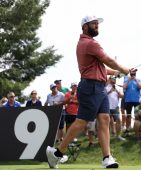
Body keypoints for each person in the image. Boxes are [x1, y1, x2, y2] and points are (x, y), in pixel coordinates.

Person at [46, 15, 131, 169]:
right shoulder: (89, 43)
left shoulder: (88, 43)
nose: (97, 26)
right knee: (81, 122)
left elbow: (102, 68)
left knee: (104, 119)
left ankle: (107, 158)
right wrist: (123, 68)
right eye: (94, 23)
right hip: (90, 87)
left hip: (99, 87)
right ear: (85, 26)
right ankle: (56, 153)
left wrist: (118, 73)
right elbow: (108, 60)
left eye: (97, 24)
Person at [123, 70, 141, 137]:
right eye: (132, 74)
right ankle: (128, 129)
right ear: (130, 74)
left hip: (136, 100)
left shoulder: (138, 79)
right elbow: (124, 87)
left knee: (138, 114)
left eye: (134, 74)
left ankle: (138, 128)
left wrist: (136, 80)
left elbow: (140, 87)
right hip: (128, 100)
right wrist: (128, 80)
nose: (133, 75)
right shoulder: (126, 79)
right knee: (128, 115)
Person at [106, 76, 125, 141]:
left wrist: (116, 91)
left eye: (115, 79)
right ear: (110, 79)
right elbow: (102, 96)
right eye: (113, 79)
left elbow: (122, 96)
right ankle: (107, 137)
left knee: (119, 120)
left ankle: (118, 135)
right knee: (107, 123)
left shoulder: (118, 87)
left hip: (115, 107)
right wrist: (110, 91)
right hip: (106, 107)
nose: (114, 80)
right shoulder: (105, 87)